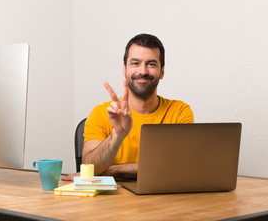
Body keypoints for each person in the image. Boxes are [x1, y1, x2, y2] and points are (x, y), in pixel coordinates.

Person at [62, 33, 193, 181]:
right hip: (109, 202)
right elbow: (89, 168)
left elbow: (179, 166)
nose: (143, 71)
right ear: (124, 70)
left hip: (163, 201)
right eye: (135, 63)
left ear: (162, 72)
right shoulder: (101, 113)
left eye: (151, 64)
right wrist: (117, 136)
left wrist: (113, 171)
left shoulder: (179, 112)